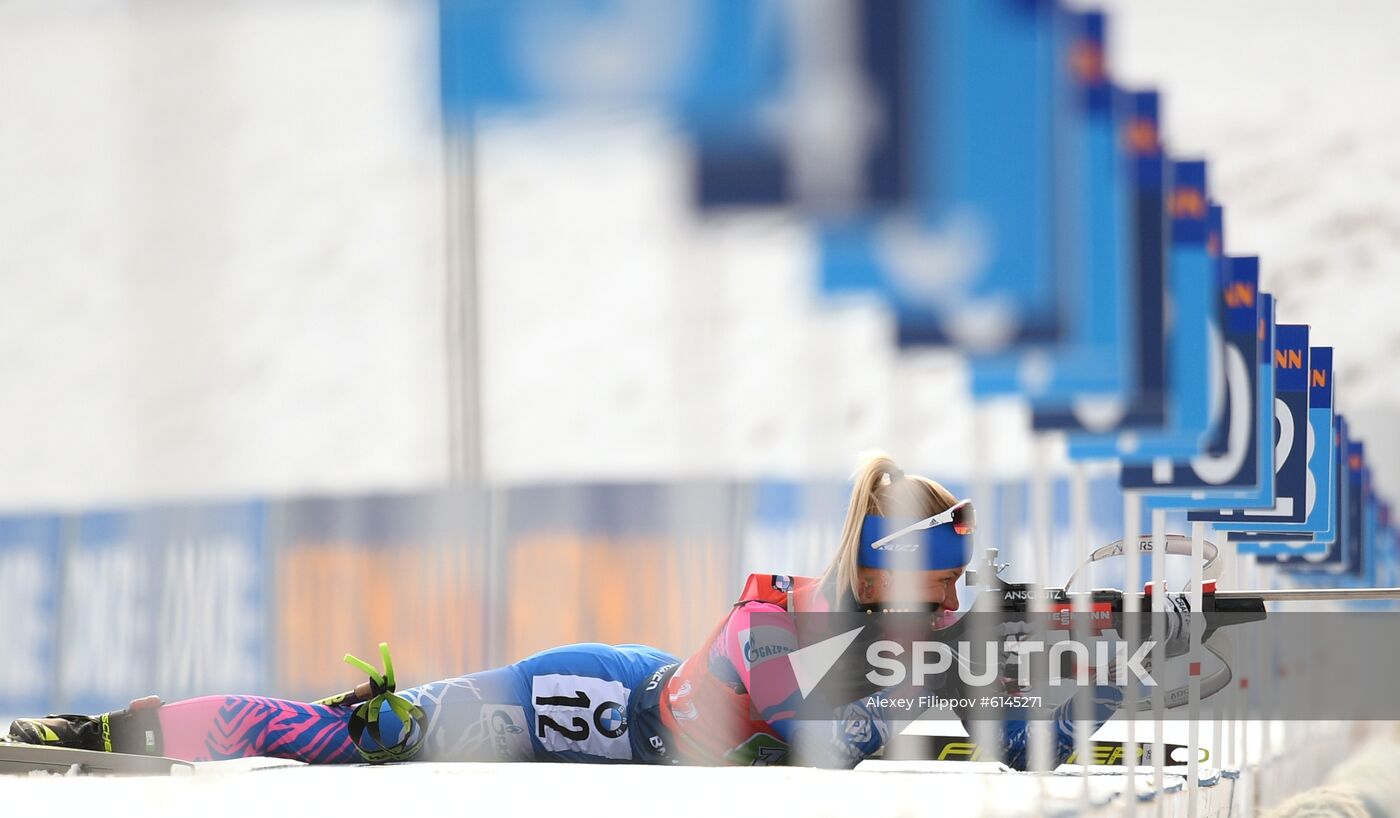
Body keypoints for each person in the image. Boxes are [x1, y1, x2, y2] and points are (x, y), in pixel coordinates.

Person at [8, 453, 1116, 768]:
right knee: (356, 734)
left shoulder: (881, 641)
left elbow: (999, 744)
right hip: (575, 698)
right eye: (947, 582)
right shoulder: (775, 631)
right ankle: (113, 729)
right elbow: (832, 724)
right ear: (884, 575)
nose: (960, 599)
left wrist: (1062, 706)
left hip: (648, 684)